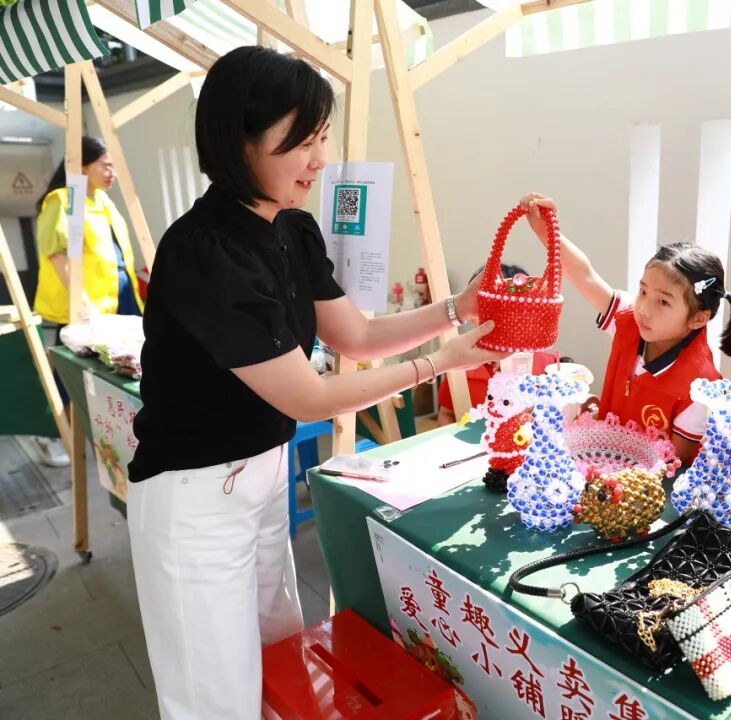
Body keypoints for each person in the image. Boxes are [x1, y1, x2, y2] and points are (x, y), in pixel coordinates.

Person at [126, 46, 504, 719]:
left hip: (264, 474)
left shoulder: (292, 230)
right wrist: (437, 365)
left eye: (322, 137)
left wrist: (456, 308)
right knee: (215, 697)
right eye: (301, 141)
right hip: (195, 495)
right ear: (239, 141)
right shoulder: (204, 250)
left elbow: (354, 334)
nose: (319, 159)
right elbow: (309, 397)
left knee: (279, 664)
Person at [519, 192, 731, 466]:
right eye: (643, 291)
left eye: (663, 302)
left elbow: (674, 463)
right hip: (597, 465)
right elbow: (586, 276)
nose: (644, 309)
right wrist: (546, 232)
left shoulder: (701, 386)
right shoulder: (629, 321)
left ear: (698, 318)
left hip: (645, 486)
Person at [31, 136, 143, 466]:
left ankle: (125, 436)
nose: (112, 173)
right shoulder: (64, 200)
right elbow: (57, 253)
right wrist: (81, 303)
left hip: (119, 301)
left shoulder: (103, 201)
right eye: (105, 166)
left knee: (125, 372)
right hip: (85, 310)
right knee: (72, 378)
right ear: (81, 167)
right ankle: (55, 436)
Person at [435, 263, 559, 426]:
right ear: (472, 317)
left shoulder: (549, 368)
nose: (501, 321)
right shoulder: (460, 368)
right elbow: (446, 414)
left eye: (512, 310)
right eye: (485, 309)